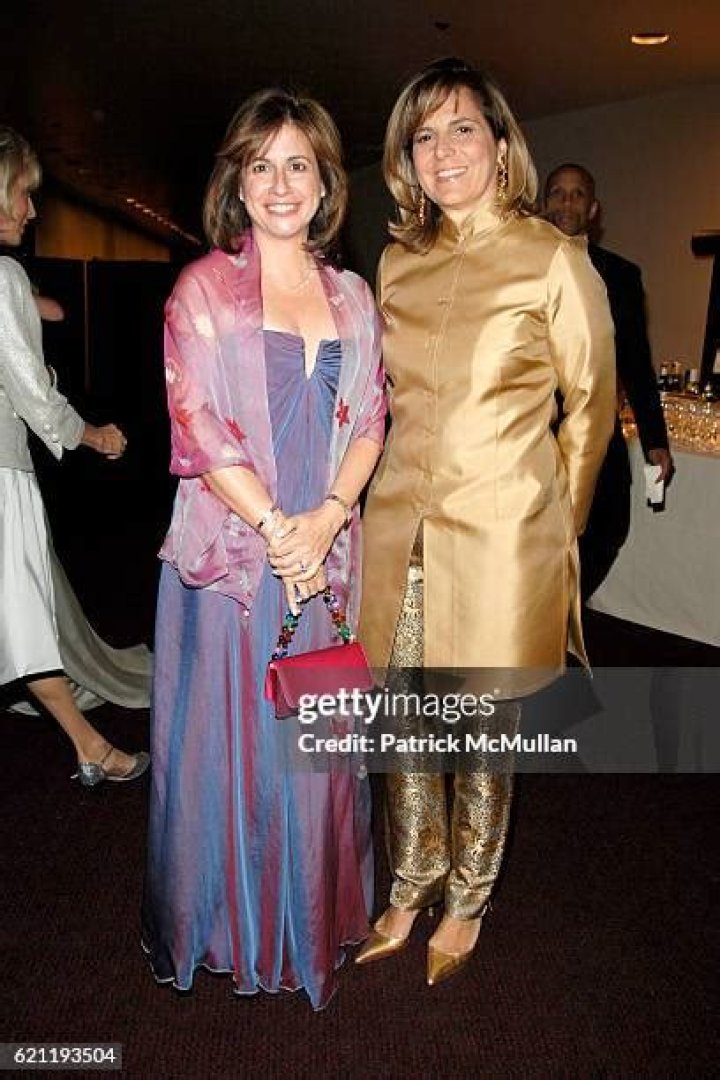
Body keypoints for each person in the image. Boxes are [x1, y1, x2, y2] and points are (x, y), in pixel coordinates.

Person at [356, 58, 615, 985]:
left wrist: (555, 532)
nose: (443, 151)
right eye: (422, 136)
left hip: (505, 535)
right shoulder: (396, 261)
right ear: (406, 160)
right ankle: (412, 876)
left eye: (462, 128)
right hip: (400, 526)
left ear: (501, 145)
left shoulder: (554, 258)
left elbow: (591, 407)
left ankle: (467, 894)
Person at [142, 88, 386, 1010]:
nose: (281, 184)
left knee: (311, 742)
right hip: (235, 563)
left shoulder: (353, 296)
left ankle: (305, 920)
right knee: (230, 749)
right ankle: (229, 927)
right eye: (261, 166)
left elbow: (372, 416)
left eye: (298, 165)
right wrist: (282, 532)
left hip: (324, 553)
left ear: (325, 184)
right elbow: (197, 426)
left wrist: (325, 519)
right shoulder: (202, 290)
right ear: (237, 184)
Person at [0, 125, 149, 785]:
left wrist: (31, 305)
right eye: (21, 194)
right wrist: (93, 435)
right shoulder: (3, 275)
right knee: (25, 616)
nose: (31, 210)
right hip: (2, 477)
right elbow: (33, 395)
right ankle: (89, 745)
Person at [543, 163, 673, 599]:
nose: (567, 202)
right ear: (544, 204)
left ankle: (565, 617)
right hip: (531, 439)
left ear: (593, 209)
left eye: (577, 194)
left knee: (607, 532)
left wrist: (655, 441)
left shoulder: (621, 276)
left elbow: (637, 363)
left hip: (599, 437)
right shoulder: (518, 270)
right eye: (557, 192)